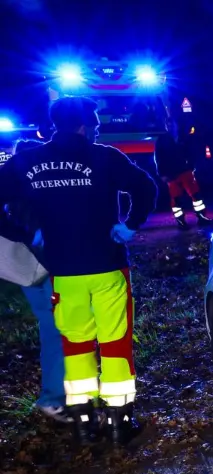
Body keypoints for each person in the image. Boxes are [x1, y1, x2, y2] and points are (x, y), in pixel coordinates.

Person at [0, 96, 158, 445]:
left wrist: (26, 235)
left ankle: (84, 423)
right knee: (115, 343)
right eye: (97, 121)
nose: (99, 126)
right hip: (107, 267)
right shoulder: (104, 156)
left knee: (75, 345)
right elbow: (146, 187)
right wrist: (130, 224)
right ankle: (120, 423)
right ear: (85, 125)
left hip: (62, 272)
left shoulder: (28, 161)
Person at [0, 138, 68, 423]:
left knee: (50, 327)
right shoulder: (30, 192)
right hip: (45, 267)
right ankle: (54, 398)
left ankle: (56, 394)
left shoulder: (10, 189)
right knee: (59, 329)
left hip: (29, 271)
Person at [155, 117, 212, 228]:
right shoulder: (162, 140)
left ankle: (201, 217)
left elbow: (191, 152)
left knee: (196, 195)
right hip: (171, 174)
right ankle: (181, 221)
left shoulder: (183, 138)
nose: (170, 126)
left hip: (185, 171)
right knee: (176, 199)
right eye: (168, 124)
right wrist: (162, 174)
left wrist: (192, 166)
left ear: (177, 125)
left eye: (172, 124)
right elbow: (158, 158)